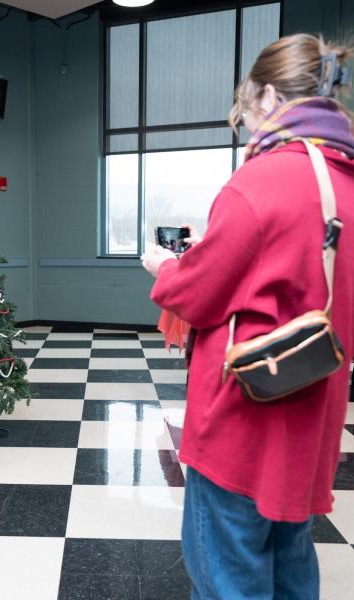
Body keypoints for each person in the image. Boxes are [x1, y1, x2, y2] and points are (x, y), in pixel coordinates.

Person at [141, 34, 354, 599]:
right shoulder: (344, 180)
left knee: (227, 574)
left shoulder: (260, 180)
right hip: (312, 422)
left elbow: (195, 296)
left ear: (264, 95)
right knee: (291, 562)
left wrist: (165, 267)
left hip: (242, 418)